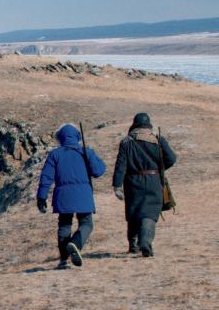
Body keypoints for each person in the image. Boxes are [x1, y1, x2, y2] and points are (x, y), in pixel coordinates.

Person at [37, 123, 106, 269]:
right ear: (77, 136)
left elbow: (46, 177)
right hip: (83, 194)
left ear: (60, 138)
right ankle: (76, 243)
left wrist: (41, 197)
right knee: (86, 224)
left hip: (63, 195)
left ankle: (64, 259)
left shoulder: (55, 154)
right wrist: (90, 156)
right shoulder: (85, 152)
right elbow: (99, 171)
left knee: (64, 225)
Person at [112, 113, 176, 257]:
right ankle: (145, 241)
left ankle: (134, 245)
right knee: (149, 213)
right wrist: (158, 169)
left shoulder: (126, 142)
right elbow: (171, 159)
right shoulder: (157, 140)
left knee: (134, 212)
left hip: (133, 182)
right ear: (148, 125)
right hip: (154, 181)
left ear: (134, 125)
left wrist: (117, 186)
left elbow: (120, 165)